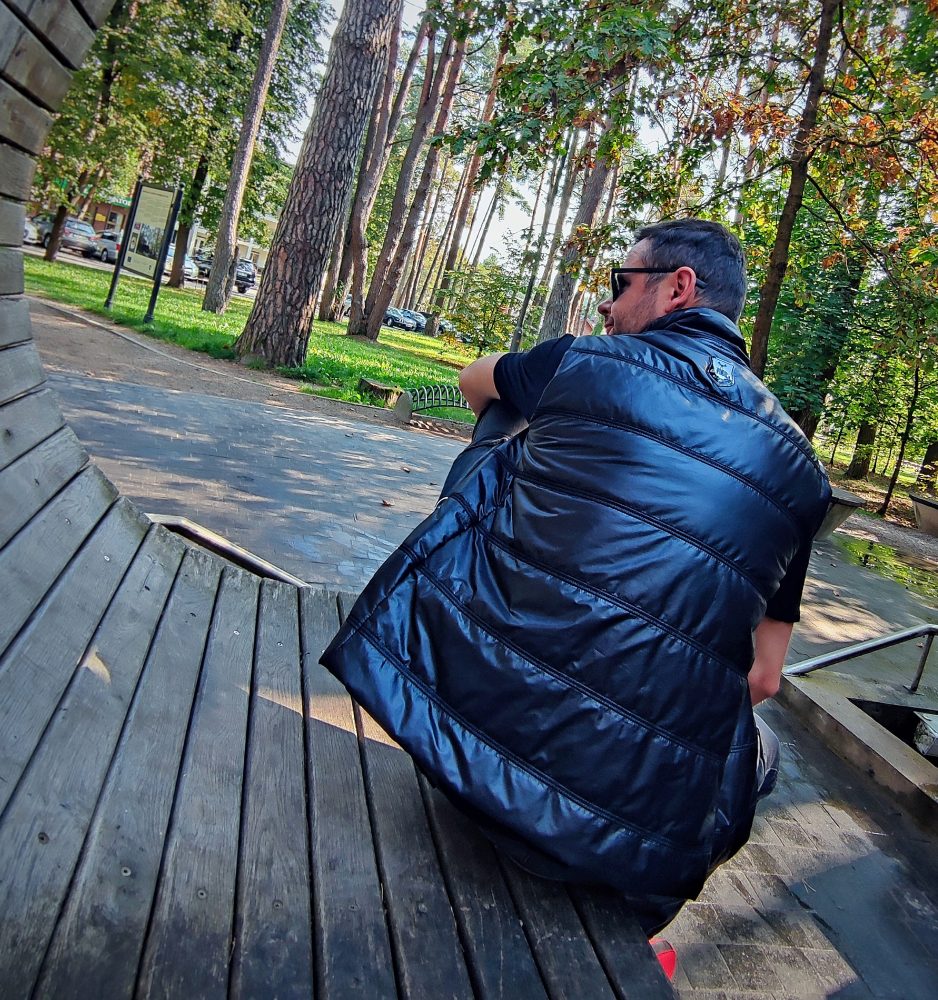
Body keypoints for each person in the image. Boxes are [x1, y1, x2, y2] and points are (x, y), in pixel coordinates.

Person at [321, 218, 831, 943]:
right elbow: (764, 679)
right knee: (761, 752)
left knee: (507, 427)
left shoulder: (583, 360)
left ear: (678, 288)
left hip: (462, 758)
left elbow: (474, 383)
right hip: (626, 843)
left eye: (620, 284)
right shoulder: (804, 475)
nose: (606, 305)